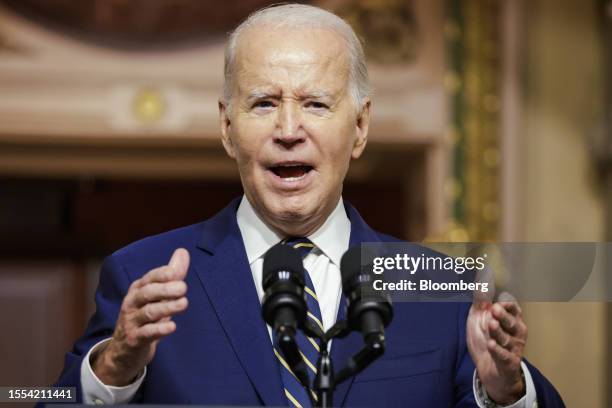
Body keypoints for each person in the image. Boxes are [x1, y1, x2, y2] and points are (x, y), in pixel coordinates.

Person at [54, 4, 564, 407]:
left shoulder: (441, 288)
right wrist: (114, 368)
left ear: (360, 127)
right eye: (264, 103)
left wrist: (505, 392)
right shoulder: (142, 275)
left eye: (316, 103)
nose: (289, 130)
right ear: (228, 128)